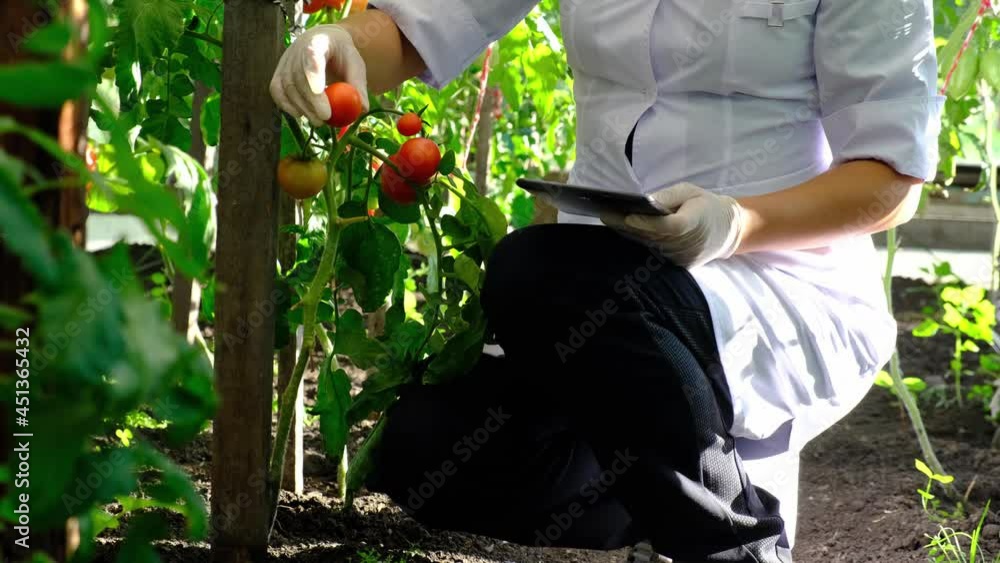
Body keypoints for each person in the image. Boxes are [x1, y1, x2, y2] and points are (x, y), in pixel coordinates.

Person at [270, 1, 942, 561]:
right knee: (428, 447)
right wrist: (338, 43)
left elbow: (892, 173)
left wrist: (739, 224)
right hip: (593, 303)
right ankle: (676, 478)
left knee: (538, 274)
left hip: (775, 277)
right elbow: (421, 24)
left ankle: (735, 543)